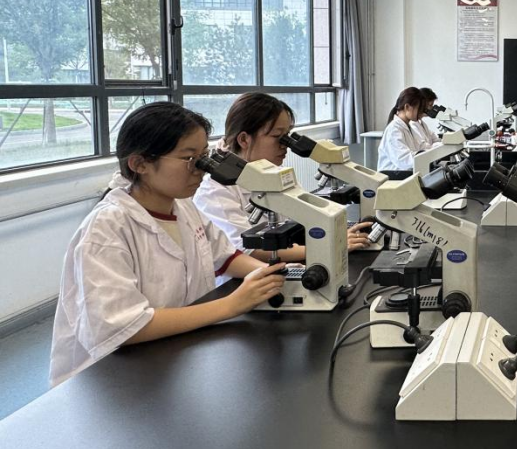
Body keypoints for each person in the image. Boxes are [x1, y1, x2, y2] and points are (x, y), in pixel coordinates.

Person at [49, 103, 286, 387]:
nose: (202, 169)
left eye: (204, 157)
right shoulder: (107, 230)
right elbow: (125, 326)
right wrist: (231, 305)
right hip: (113, 379)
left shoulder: (183, 207)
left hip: (172, 355)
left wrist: (273, 274)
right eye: (190, 158)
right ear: (140, 164)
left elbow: (226, 255)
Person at [193, 93, 371, 266]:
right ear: (244, 139)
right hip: (246, 278)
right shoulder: (215, 190)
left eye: (287, 135)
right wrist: (328, 248)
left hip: (286, 264)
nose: (285, 145)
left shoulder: (279, 174)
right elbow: (246, 249)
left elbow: (307, 218)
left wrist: (336, 235)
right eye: (277, 136)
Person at [378, 87, 427, 172]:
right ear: (407, 107)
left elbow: (421, 146)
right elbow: (404, 161)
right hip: (394, 176)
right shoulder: (394, 130)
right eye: (419, 108)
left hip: (406, 173)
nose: (421, 112)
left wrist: (439, 149)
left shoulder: (408, 127)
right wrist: (427, 157)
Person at [412, 86, 442, 151]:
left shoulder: (422, 124)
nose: (431, 108)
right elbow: (423, 147)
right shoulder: (412, 124)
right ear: (422, 104)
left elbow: (435, 139)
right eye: (430, 105)